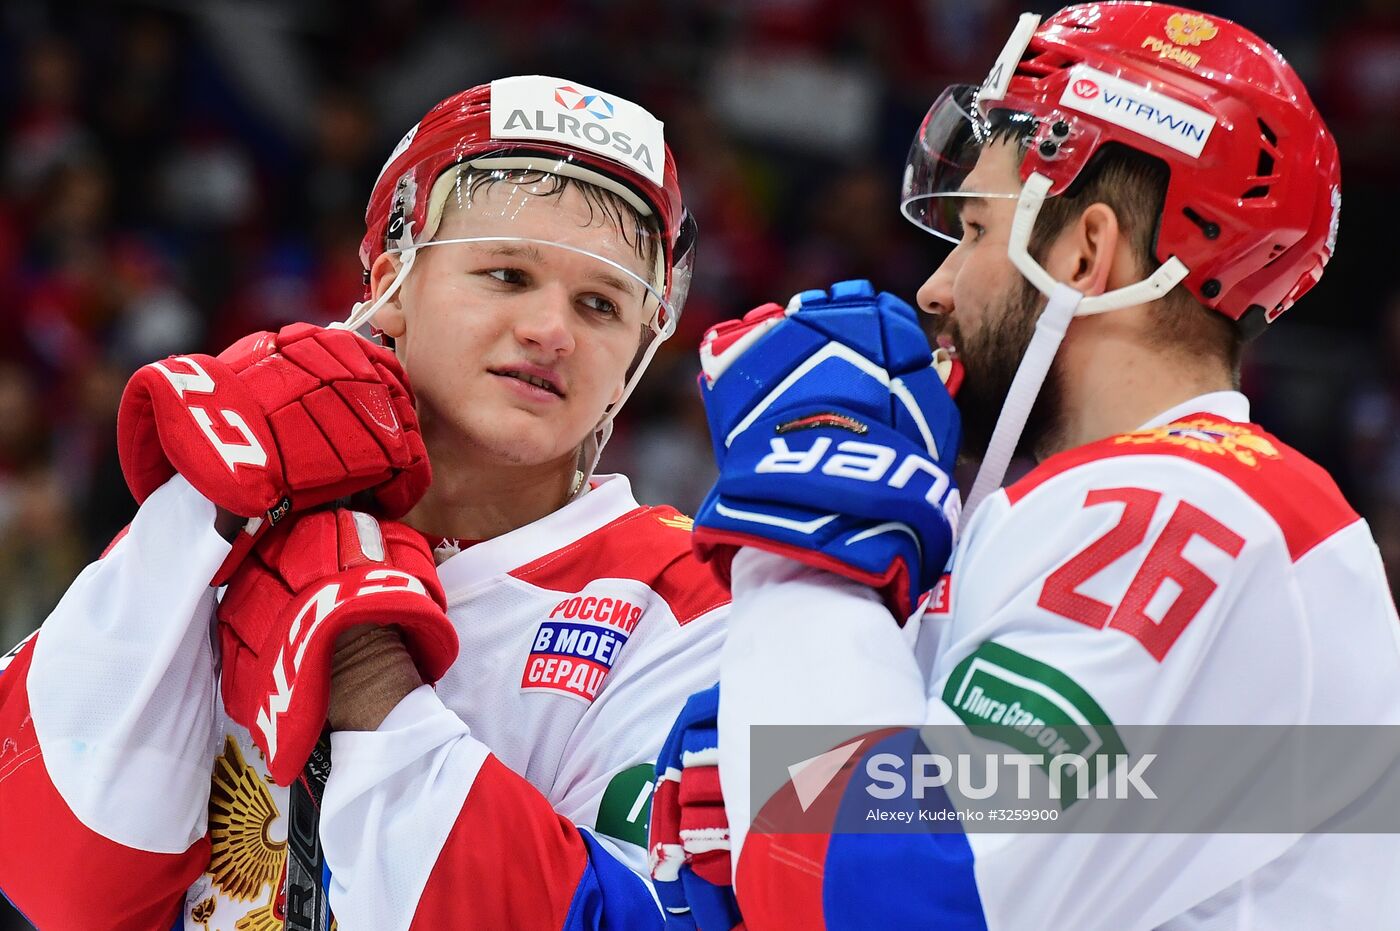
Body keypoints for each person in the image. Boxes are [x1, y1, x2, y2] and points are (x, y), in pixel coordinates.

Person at [647, 4, 1400, 929]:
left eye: (971, 231)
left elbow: (899, 897)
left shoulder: (1202, 504)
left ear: (1085, 253)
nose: (935, 287)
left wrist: (808, 553)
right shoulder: (1113, 510)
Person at [0, 75, 729, 930]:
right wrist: (204, 502)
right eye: (506, 273)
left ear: (637, 355)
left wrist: (372, 680)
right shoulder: (249, 514)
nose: (551, 330)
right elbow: (58, 870)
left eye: (600, 304)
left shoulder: (689, 597)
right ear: (393, 283)